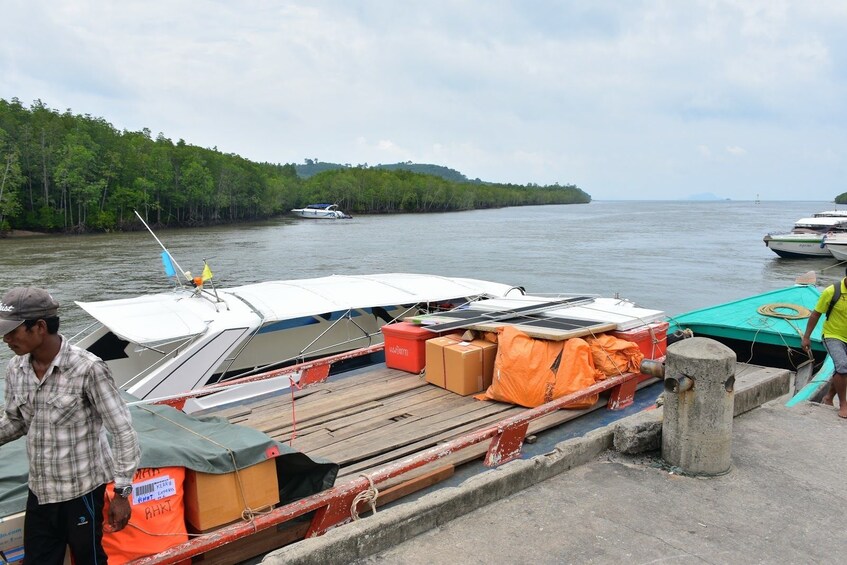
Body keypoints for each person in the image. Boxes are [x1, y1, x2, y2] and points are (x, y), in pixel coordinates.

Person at [0, 287, 141, 564]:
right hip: (40, 490)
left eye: (12, 331)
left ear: (40, 327)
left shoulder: (88, 368)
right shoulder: (15, 369)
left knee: (89, 558)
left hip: (82, 492)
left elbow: (122, 430)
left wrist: (122, 493)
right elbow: (16, 422)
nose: (6, 339)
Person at [801, 272, 847, 419]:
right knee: (842, 365)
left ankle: (828, 397)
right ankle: (843, 404)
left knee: (843, 369)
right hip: (833, 335)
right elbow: (816, 314)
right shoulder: (832, 291)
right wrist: (806, 337)